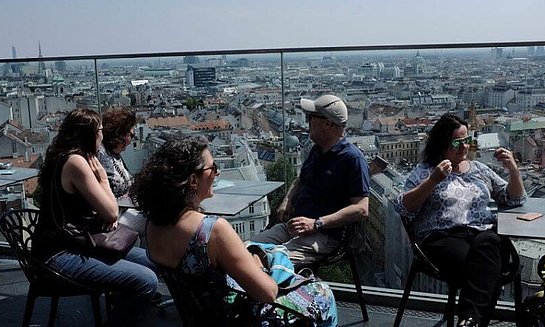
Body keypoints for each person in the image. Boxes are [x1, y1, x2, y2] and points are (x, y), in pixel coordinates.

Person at [130, 134, 337, 326]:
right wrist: (258, 264)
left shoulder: (152, 225)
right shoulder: (211, 230)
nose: (217, 172)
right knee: (323, 294)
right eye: (213, 167)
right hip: (240, 317)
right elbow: (268, 293)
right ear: (193, 180)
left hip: (197, 317)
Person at [394, 113, 527, 327]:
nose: (464, 147)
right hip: (443, 236)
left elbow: (514, 197)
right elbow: (402, 206)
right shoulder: (426, 172)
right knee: (484, 268)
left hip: (482, 235)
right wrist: (433, 181)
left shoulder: (480, 170)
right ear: (442, 144)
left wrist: (513, 170)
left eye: (467, 140)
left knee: (490, 244)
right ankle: (471, 320)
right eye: (457, 142)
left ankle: (468, 321)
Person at [32, 108, 158, 326]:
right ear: (89, 134)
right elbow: (110, 211)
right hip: (61, 254)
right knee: (146, 280)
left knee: (153, 262)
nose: (103, 135)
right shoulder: (77, 163)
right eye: (100, 130)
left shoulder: (62, 157)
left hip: (71, 243)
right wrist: (101, 177)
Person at [251, 94, 370, 265]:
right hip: (295, 225)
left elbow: (362, 209)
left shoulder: (352, 158)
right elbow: (300, 179)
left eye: (311, 117)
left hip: (325, 235)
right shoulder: (317, 150)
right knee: (244, 250)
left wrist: (317, 224)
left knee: (267, 261)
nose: (307, 122)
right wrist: (287, 200)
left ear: (328, 123)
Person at [97, 107, 146, 237]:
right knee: (157, 222)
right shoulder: (101, 154)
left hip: (123, 212)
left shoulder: (114, 155)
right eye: (132, 134)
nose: (132, 140)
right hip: (111, 219)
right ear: (121, 134)